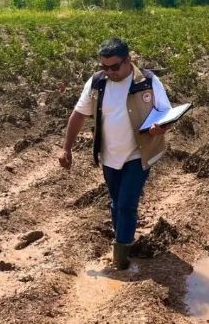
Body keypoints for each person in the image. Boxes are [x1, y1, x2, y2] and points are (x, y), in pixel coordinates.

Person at [59, 37, 172, 270]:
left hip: (137, 155)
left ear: (128, 60)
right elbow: (79, 114)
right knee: (116, 202)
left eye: (115, 67)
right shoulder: (98, 83)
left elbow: (166, 113)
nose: (110, 72)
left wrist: (159, 127)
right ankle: (124, 241)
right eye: (105, 67)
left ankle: (120, 258)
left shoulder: (148, 81)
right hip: (109, 156)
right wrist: (66, 148)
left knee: (126, 205)